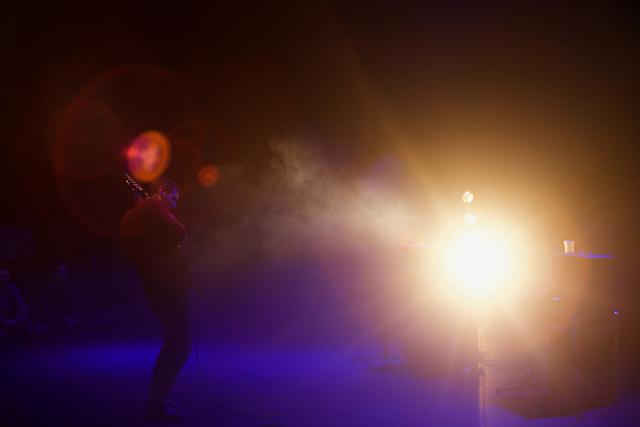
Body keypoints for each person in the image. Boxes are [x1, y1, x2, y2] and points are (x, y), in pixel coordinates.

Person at [120, 177, 192, 422]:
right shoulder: (151, 206)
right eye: (173, 197)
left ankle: (159, 399)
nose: (175, 203)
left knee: (179, 342)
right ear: (161, 191)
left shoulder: (136, 215)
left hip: (158, 285)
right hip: (166, 286)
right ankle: (156, 403)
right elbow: (179, 232)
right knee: (179, 342)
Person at [0, 266, 30, 340]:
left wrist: (13, 321)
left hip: (10, 320)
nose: (5, 278)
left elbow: (23, 307)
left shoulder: (13, 289)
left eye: (7, 276)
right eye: (2, 276)